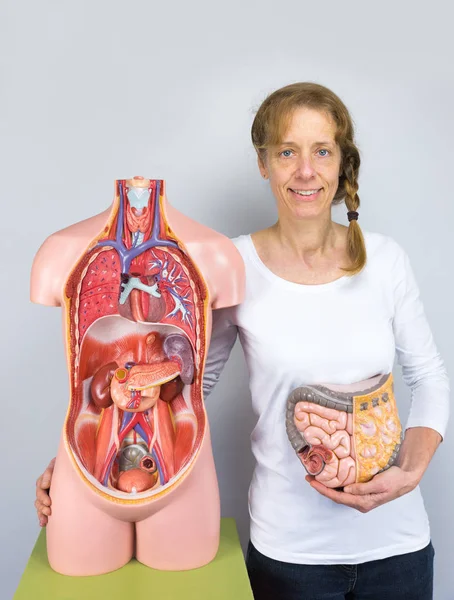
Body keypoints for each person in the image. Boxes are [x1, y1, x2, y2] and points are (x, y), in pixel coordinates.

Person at [35, 83, 449, 599]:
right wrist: (83, 463)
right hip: (291, 557)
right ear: (263, 163)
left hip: (399, 548)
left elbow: (429, 376)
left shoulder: (386, 261)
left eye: (322, 151)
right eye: (286, 152)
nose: (305, 170)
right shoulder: (233, 265)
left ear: (342, 162)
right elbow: (189, 386)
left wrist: (411, 471)